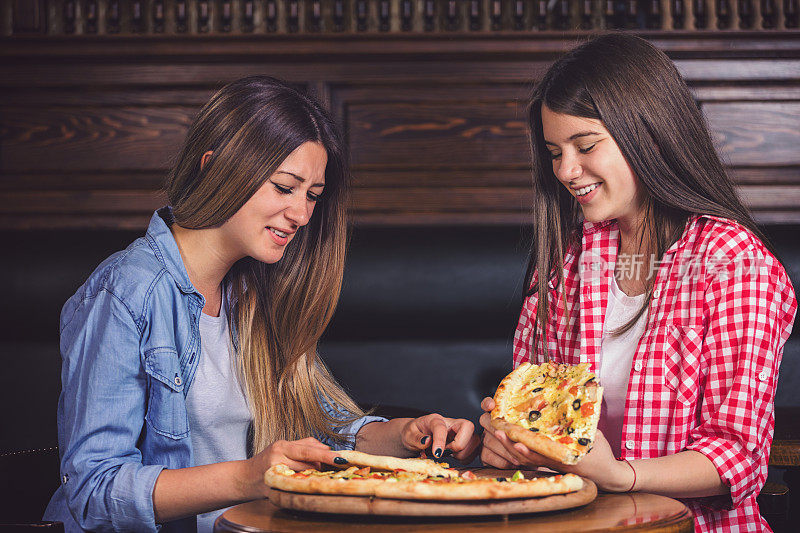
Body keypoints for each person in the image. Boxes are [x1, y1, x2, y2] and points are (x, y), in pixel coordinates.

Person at [44, 76, 480, 533]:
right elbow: (94, 491)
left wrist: (409, 434)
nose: (302, 215)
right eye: (285, 187)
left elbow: (324, 431)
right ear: (216, 167)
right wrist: (252, 475)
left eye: (312, 195)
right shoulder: (126, 293)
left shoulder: (253, 292)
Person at [479, 34, 796, 532]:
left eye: (585, 146)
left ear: (649, 134)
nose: (565, 170)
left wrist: (618, 475)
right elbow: (540, 418)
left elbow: (735, 456)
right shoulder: (567, 259)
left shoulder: (733, 263)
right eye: (554, 151)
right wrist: (511, 443)